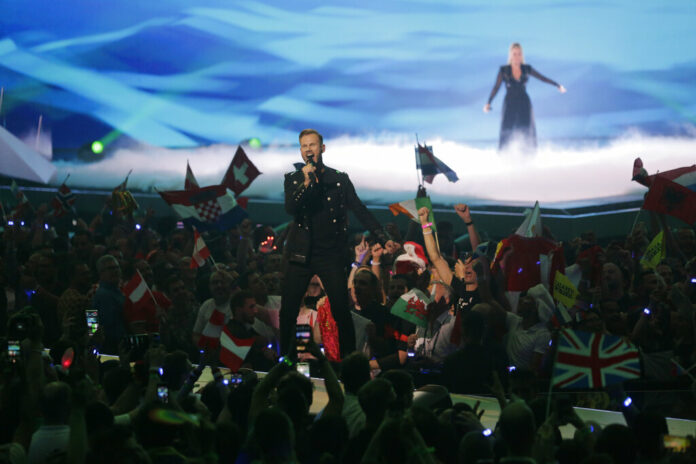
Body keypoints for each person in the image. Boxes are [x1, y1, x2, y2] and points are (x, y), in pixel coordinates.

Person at [280, 128, 393, 358]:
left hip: (329, 254)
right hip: (301, 254)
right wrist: (305, 181)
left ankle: (349, 364)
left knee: (341, 311)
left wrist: (383, 237)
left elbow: (359, 209)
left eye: (312, 145)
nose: (308, 149)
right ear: (300, 151)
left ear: (322, 148)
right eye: (304, 146)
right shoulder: (293, 179)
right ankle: (287, 363)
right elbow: (291, 208)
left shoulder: (338, 180)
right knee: (288, 311)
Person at [484, 42, 566, 150]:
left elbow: (542, 78)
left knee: (526, 129)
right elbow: (496, 87)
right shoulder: (504, 70)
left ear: (522, 55)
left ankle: (528, 155)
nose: (517, 57)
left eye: (519, 54)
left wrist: (557, 85)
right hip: (509, 103)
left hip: (524, 103)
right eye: (515, 54)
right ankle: (504, 156)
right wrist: (489, 102)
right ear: (510, 55)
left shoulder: (526, 68)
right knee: (506, 129)